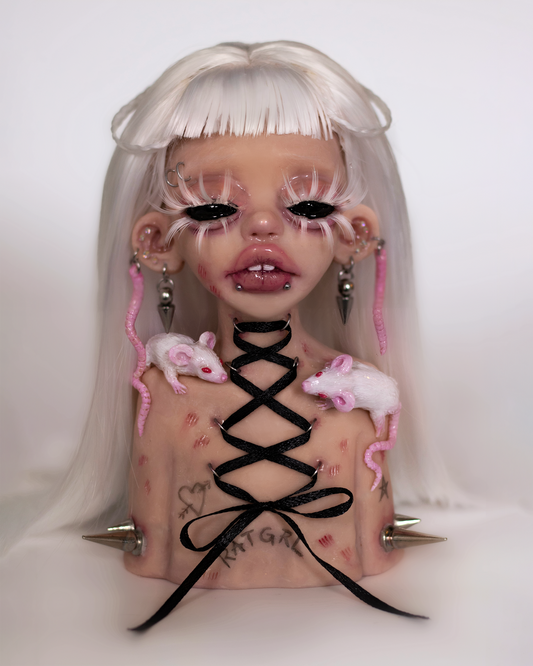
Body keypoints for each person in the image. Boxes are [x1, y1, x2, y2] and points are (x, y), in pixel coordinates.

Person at [61, 41, 447, 629]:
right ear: (157, 243)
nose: (263, 226)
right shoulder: (161, 398)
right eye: (214, 208)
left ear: (354, 236)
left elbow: (376, 539)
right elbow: (150, 546)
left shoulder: (361, 399)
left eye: (308, 206)